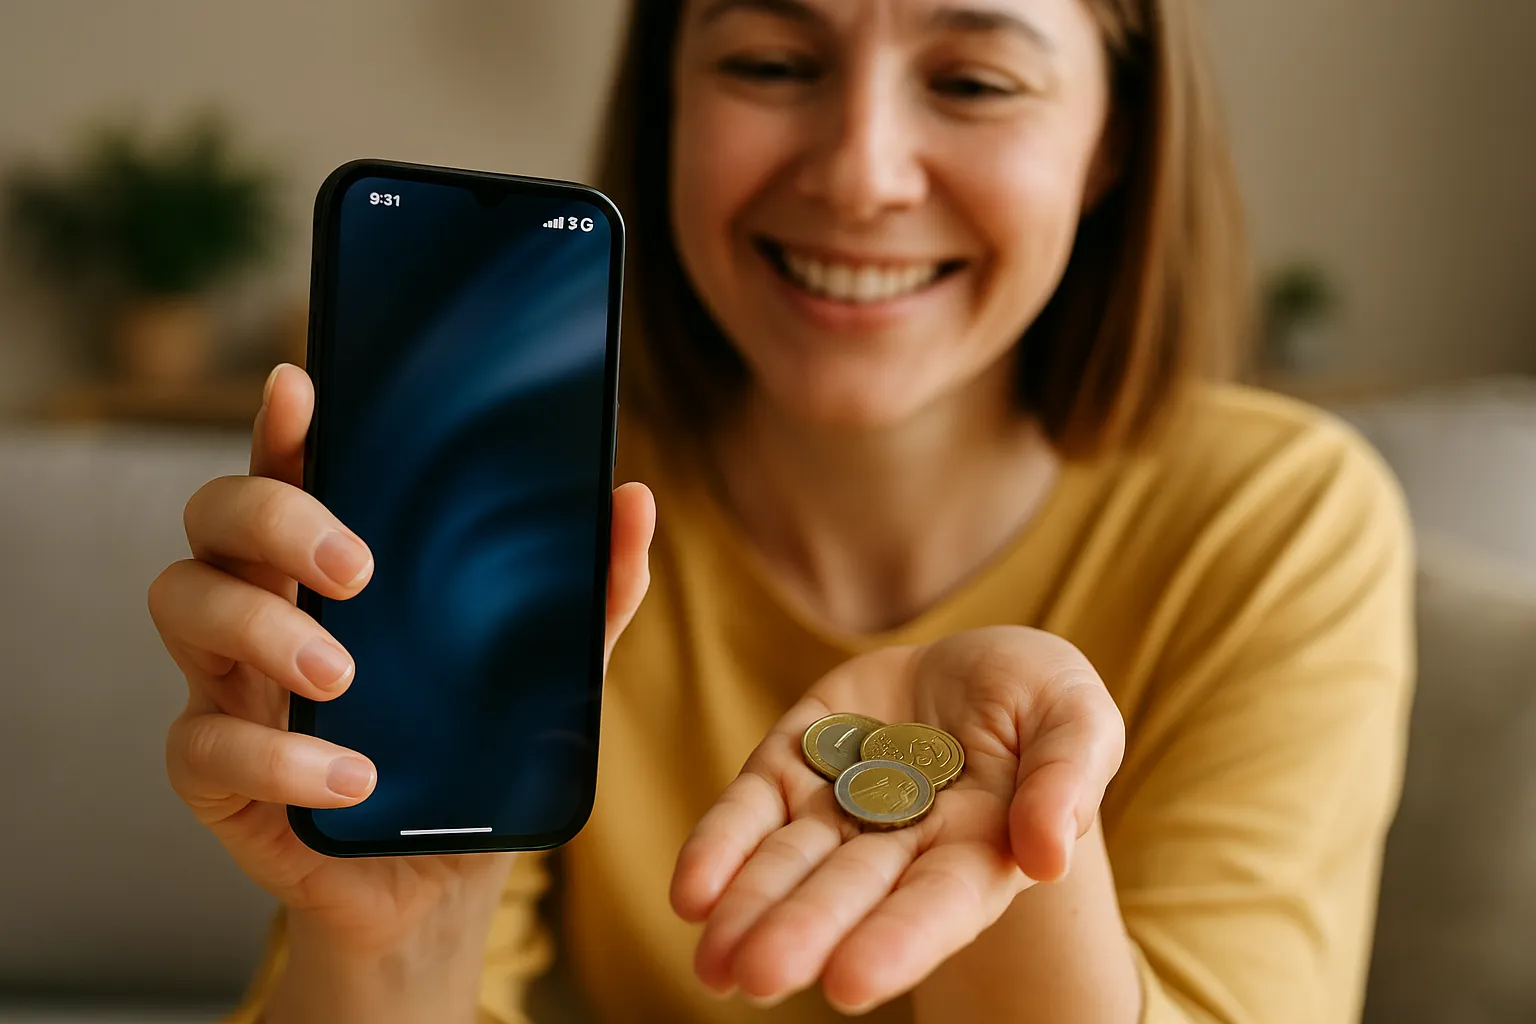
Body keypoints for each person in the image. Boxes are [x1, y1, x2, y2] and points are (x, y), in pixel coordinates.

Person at [146, 0, 1415, 1021]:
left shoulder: (1281, 521)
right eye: (768, 59)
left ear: (1114, 141)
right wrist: (400, 936)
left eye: (973, 80)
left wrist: (1028, 854)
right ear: (668, 103)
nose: (861, 175)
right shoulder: (543, 519)